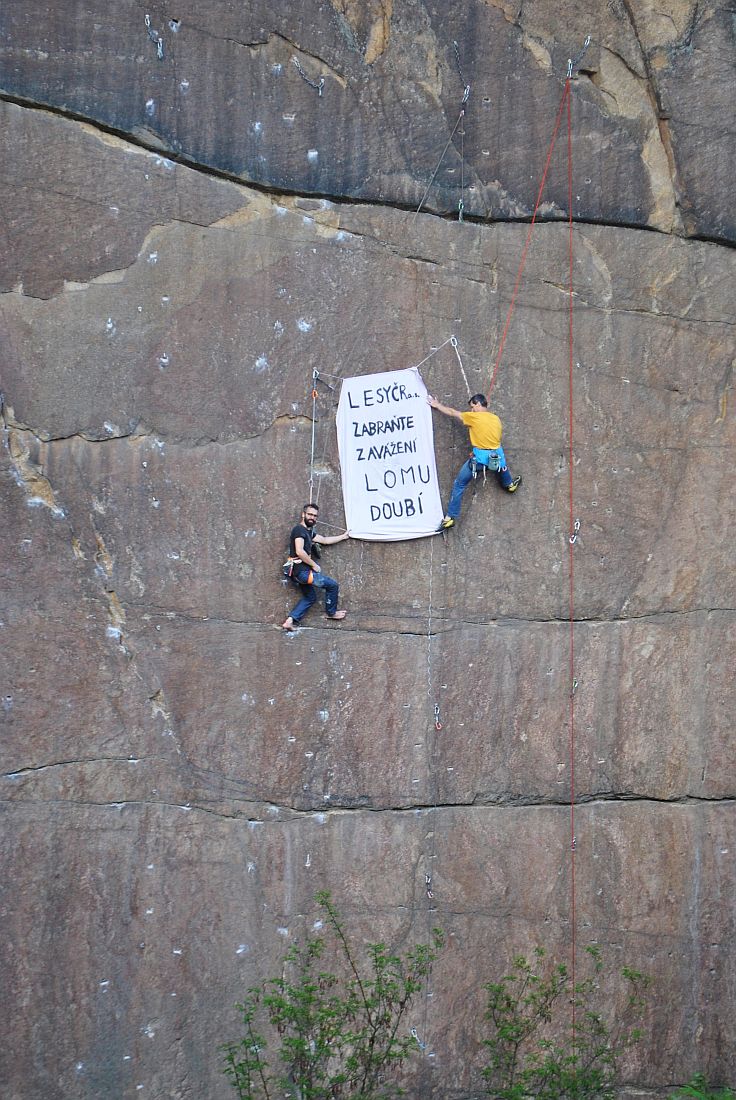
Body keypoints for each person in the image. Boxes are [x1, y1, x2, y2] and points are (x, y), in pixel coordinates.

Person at [428, 392, 521, 529]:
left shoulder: (473, 417)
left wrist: (437, 405)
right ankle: (509, 484)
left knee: (459, 484)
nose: (471, 410)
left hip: (480, 461)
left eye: (473, 406)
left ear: (478, 404)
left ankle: (450, 518)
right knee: (501, 464)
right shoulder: (496, 418)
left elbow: (453, 412)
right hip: (496, 457)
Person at [282, 503, 350, 631]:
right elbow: (299, 551)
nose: (312, 518)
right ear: (303, 514)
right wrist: (314, 565)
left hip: (299, 573)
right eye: (310, 514)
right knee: (332, 585)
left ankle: (289, 621)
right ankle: (331, 612)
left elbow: (324, 540)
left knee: (310, 597)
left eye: (315, 516)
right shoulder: (299, 530)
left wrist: (344, 536)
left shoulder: (308, 532)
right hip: (301, 572)